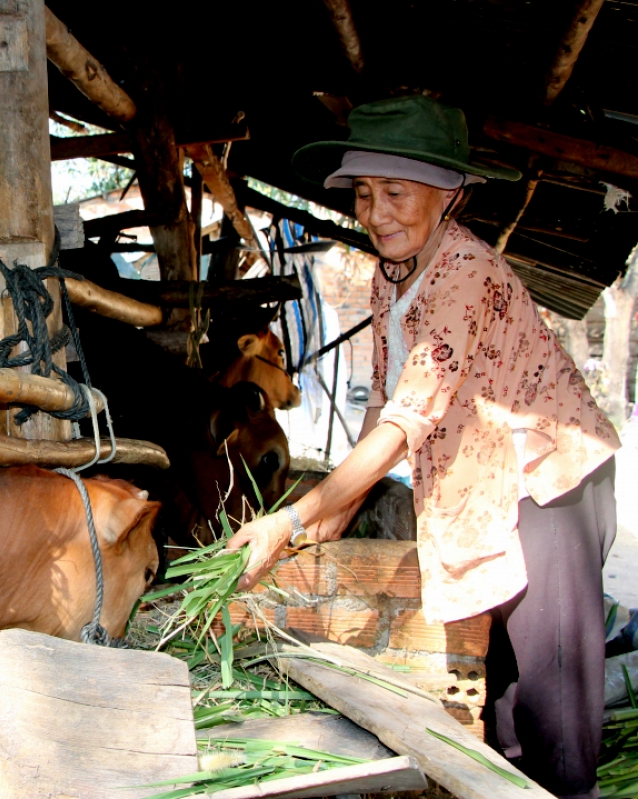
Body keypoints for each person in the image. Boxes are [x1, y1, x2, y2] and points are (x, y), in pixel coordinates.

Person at [227, 95, 620, 799]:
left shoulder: (465, 273)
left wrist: (290, 518)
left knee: (553, 709)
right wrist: (335, 514)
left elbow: (408, 422)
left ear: (451, 194)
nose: (377, 213)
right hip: (486, 489)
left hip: (546, 485)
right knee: (501, 694)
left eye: (397, 193)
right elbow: (382, 399)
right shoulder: (393, 276)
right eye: (365, 193)